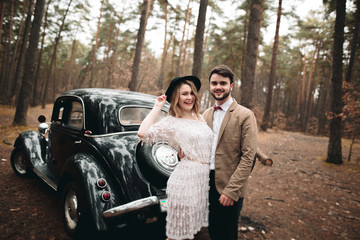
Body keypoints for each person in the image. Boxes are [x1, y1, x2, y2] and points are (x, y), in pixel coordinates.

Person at [137, 76, 214, 240]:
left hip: (204, 181)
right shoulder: (172, 122)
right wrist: (157, 107)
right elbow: (142, 133)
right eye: (184, 94)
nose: (189, 97)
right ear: (176, 99)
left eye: (192, 93)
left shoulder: (199, 118)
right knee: (180, 234)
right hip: (185, 183)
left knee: (199, 231)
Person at [202, 65, 258, 240]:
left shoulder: (245, 115)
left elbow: (249, 157)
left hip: (228, 186)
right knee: (212, 231)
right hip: (206, 184)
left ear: (231, 85)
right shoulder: (205, 114)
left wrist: (231, 190)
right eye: (214, 83)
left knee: (226, 234)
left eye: (223, 83)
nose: (218, 87)